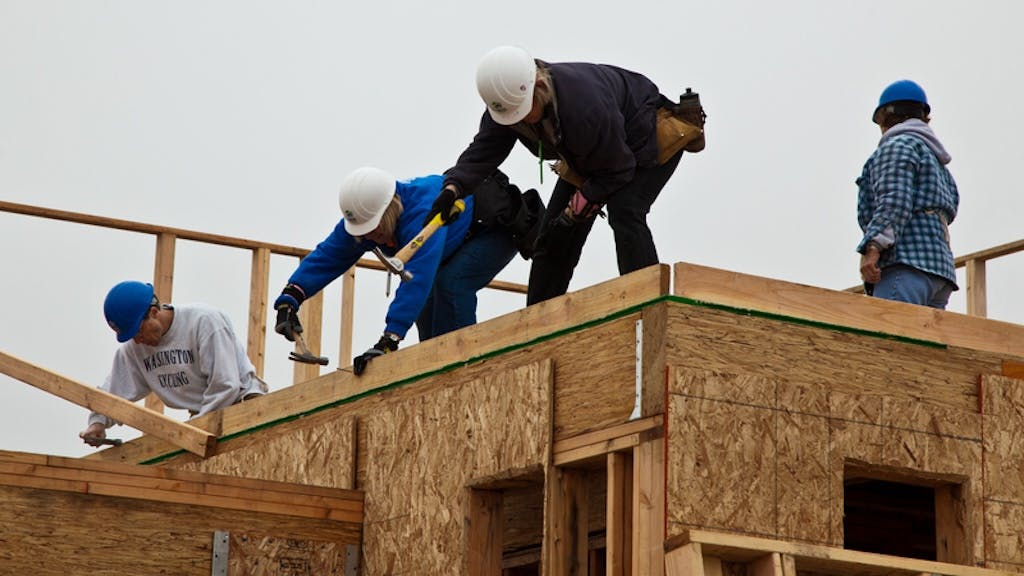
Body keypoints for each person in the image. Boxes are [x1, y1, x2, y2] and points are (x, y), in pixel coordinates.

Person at [425, 45, 703, 305]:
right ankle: (537, 324)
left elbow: (618, 170)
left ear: (540, 88)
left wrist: (574, 212)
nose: (518, 121)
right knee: (552, 237)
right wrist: (452, 189)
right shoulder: (507, 102)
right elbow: (483, 152)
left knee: (625, 212)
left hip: (643, 137)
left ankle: (648, 302)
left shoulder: (584, 106)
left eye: (522, 114)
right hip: (590, 153)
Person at [273, 166, 533, 375]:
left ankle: (468, 373)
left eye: (375, 229)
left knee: (451, 285)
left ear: (389, 210)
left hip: (495, 229)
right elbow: (328, 256)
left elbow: (416, 278)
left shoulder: (422, 211)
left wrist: (388, 341)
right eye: (364, 233)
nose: (371, 236)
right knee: (426, 307)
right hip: (456, 242)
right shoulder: (364, 216)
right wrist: (290, 299)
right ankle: (437, 377)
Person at [79, 281, 268, 446]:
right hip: (202, 422)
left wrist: (191, 431)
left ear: (154, 312)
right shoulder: (134, 349)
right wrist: (97, 423)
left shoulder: (204, 322)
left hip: (244, 408)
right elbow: (113, 394)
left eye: (138, 332)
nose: (137, 341)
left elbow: (226, 385)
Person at [857, 79, 959, 309]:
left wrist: (873, 247)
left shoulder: (897, 146)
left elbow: (894, 200)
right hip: (940, 271)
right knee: (923, 345)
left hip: (905, 266)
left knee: (889, 341)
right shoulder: (936, 159)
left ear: (885, 117)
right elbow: (952, 205)